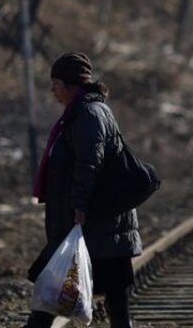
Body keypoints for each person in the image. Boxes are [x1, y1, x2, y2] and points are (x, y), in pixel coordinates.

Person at [25, 52, 141, 328]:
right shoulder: (83, 112)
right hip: (99, 222)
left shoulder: (88, 114)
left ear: (70, 84)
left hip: (95, 221)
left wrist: (79, 206)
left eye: (55, 83)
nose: (53, 90)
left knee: (57, 286)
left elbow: (89, 163)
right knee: (110, 296)